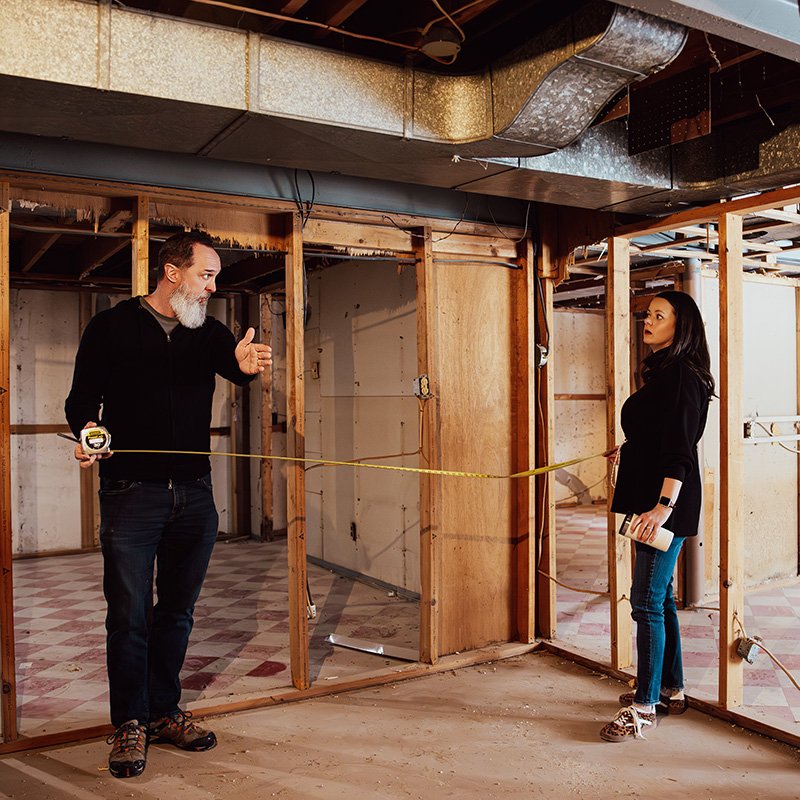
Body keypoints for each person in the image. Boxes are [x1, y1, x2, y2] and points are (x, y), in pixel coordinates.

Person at [65, 230, 272, 778]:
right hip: (132, 494)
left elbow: (235, 368)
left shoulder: (207, 331)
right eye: (206, 275)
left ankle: (162, 712)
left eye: (215, 278)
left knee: (177, 611)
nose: (212, 287)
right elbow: (82, 399)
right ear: (172, 273)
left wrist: (246, 366)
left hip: (195, 495)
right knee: (129, 615)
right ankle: (130, 723)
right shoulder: (111, 327)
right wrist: (88, 434)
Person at [599, 290, 714, 742]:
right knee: (660, 597)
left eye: (658, 315)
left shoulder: (683, 375)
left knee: (645, 601)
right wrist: (631, 449)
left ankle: (644, 707)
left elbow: (680, 451)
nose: (648, 321)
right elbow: (661, 436)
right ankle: (671, 689)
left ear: (680, 325)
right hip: (655, 499)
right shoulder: (668, 371)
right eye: (648, 314)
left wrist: (662, 508)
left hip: (663, 505)